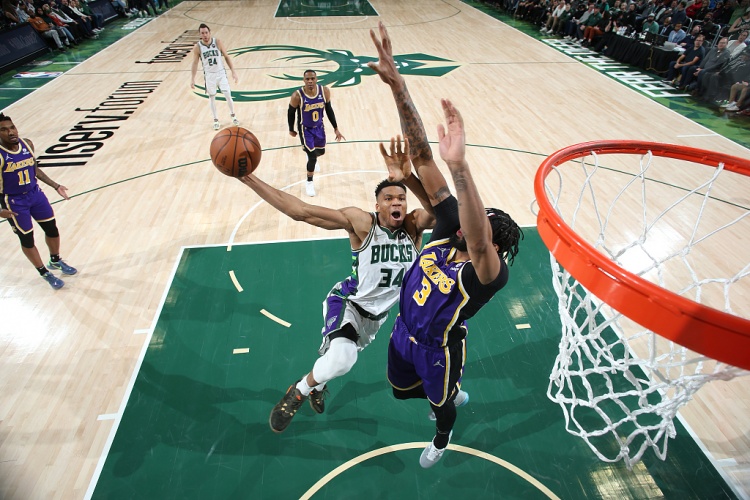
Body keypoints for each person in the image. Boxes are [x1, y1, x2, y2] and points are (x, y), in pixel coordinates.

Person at [368, 23, 523, 468]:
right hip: (404, 331)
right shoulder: (451, 227)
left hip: (438, 348)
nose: (467, 224)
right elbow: (421, 156)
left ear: (492, 243)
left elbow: (479, 242)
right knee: (401, 391)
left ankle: (442, 436)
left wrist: (460, 168)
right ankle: (449, 393)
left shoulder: (488, 273)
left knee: (440, 405)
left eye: (481, 226)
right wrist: (397, 86)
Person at [243, 141, 435, 434]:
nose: (396, 203)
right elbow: (302, 211)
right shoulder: (362, 223)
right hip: (348, 303)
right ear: (377, 206)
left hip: (376, 318)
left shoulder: (414, 227)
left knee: (336, 361)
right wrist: (248, 178)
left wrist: (408, 177)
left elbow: (443, 211)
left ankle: (319, 383)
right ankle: (299, 390)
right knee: (344, 359)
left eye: (401, 198)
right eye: (388, 198)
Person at [0, 113, 77, 289]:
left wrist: (55, 185)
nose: (10, 132)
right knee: (27, 239)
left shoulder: (27, 144)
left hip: (35, 194)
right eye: (3, 130)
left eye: (12, 127)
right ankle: (44, 272)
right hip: (14, 201)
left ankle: (55, 260)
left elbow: (34, 169)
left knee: (52, 229)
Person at [287, 69, 345, 197]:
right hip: (305, 129)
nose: (310, 81)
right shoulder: (297, 95)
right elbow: (291, 112)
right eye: (307, 79)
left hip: (319, 127)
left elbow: (329, 109)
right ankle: (309, 182)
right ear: (303, 80)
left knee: (321, 152)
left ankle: (310, 155)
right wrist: (291, 129)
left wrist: (336, 128)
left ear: (316, 79)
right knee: (312, 157)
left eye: (312, 78)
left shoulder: (324, 91)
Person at [190, 23, 240, 131]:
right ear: (200, 34)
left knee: (228, 94)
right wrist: (192, 79)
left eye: (206, 32)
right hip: (209, 76)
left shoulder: (217, 42)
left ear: (209, 32)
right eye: (202, 33)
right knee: (212, 97)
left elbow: (226, 57)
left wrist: (233, 71)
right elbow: (195, 63)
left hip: (221, 73)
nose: (205, 35)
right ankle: (216, 120)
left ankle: (233, 115)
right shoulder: (198, 47)